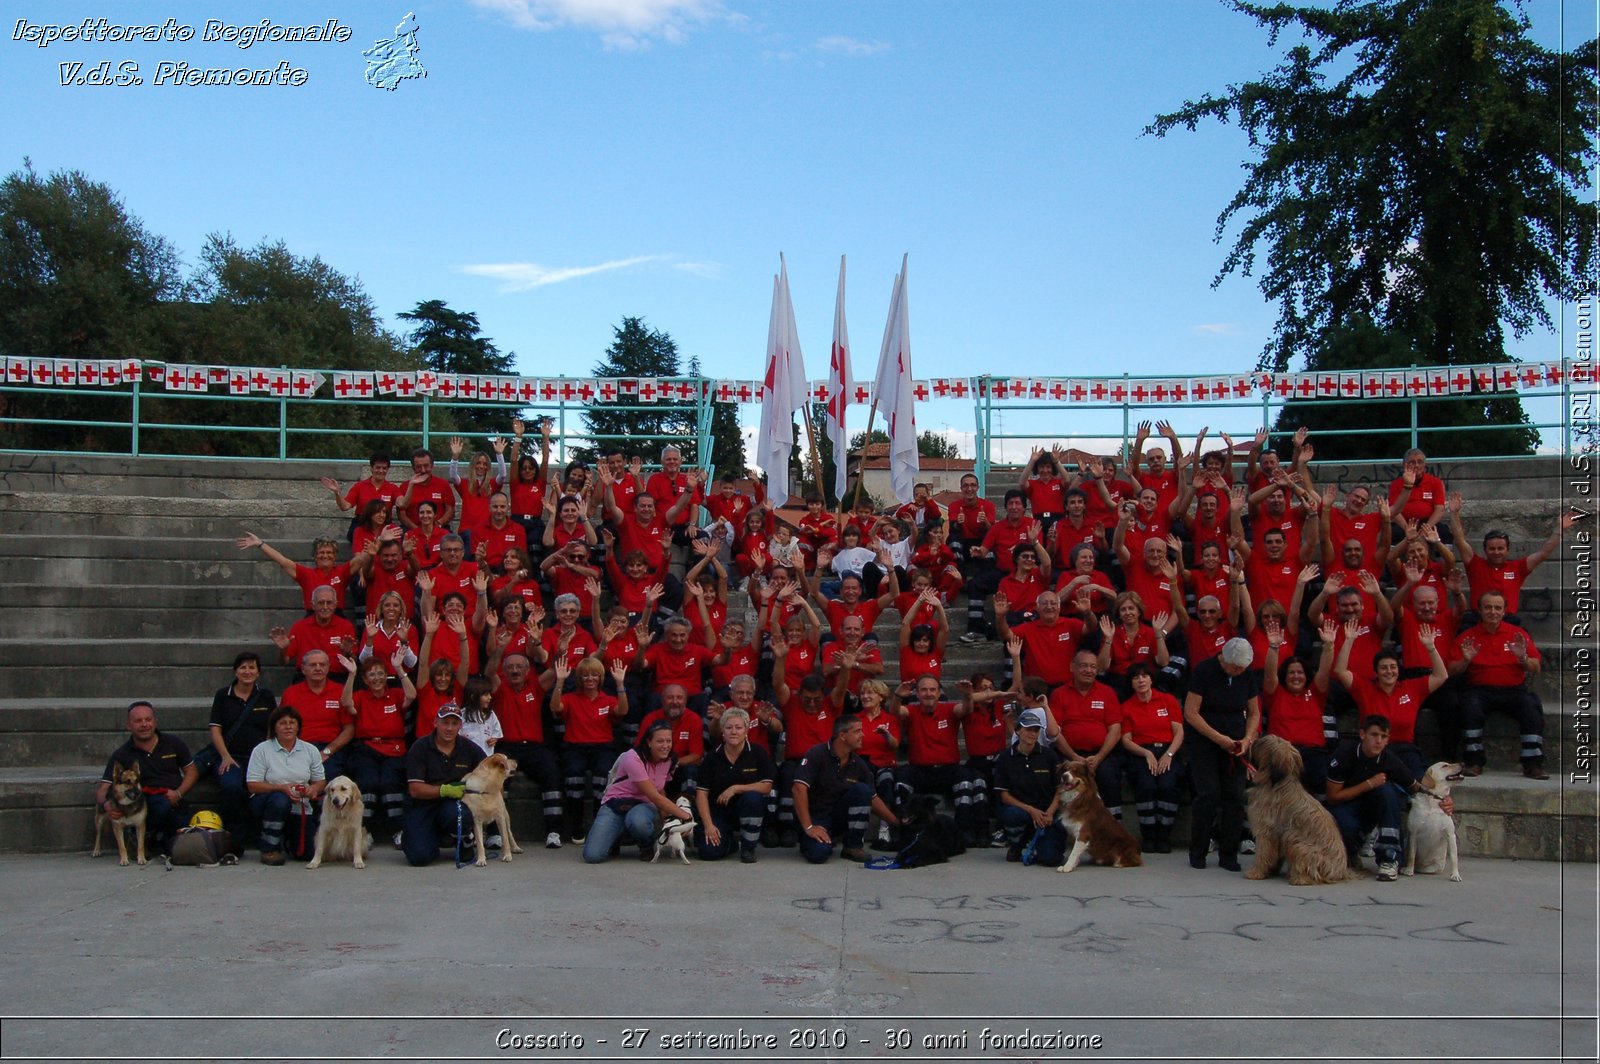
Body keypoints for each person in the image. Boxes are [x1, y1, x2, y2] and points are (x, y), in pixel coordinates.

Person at [1450, 589, 1549, 779]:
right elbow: (1451, 670)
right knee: (1469, 706)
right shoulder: (1468, 637)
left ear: (1504, 611)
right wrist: (1466, 660)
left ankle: (1532, 763)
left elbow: (1536, 667)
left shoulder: (1517, 634)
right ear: (1479, 610)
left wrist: (1523, 658)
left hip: (1513, 690)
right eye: (1488, 607)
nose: (1493, 612)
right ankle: (1474, 760)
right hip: (1479, 690)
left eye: (1497, 608)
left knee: (1531, 707)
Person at [1334, 617, 1449, 781]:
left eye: (1393, 667)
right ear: (1376, 671)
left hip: (1405, 750)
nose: (1389, 671)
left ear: (1398, 670)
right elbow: (1340, 671)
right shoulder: (1364, 688)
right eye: (1383, 668)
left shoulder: (1412, 688)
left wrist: (1431, 648)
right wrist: (1349, 640)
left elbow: (1441, 676)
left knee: (1421, 784)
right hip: (1374, 752)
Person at [1182, 637, 1260, 871]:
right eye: (1235, 667)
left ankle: (1229, 854)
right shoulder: (1204, 670)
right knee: (1208, 795)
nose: (1238, 672)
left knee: (1235, 797)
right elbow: (1191, 712)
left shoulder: (1246, 675)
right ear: (1225, 659)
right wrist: (1219, 739)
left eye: (1241, 668)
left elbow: (1254, 713)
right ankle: (1198, 851)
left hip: (1235, 742)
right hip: (1205, 741)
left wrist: (1247, 739)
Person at [1449, 497, 1578, 622]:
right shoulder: (1475, 564)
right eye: (1492, 549)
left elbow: (1543, 553)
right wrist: (1454, 513)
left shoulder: (1518, 567)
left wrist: (1559, 530)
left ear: (1507, 550)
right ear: (1485, 550)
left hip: (1508, 621)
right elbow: (1459, 540)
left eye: (1500, 548)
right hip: (1478, 620)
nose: (1496, 552)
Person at [793, 715, 901, 863]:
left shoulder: (858, 763)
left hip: (839, 816)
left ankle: (853, 846)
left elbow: (873, 798)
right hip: (816, 817)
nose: (862, 735)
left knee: (862, 790)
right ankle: (812, 841)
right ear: (842, 736)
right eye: (857, 731)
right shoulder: (817, 754)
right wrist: (809, 826)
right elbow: (798, 789)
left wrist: (896, 822)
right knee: (819, 855)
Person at [582, 720, 691, 863]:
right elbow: (655, 796)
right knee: (592, 856)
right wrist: (687, 817)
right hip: (616, 804)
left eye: (668, 741)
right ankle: (616, 836)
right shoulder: (632, 757)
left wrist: (665, 817)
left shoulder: (670, 760)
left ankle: (646, 846)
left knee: (637, 820)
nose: (665, 746)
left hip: (643, 806)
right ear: (649, 742)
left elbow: (659, 789)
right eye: (660, 741)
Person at [1324, 715, 1417, 882]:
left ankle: (1389, 858)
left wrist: (1443, 799)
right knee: (1347, 824)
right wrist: (1368, 784)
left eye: (1384, 736)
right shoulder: (1344, 755)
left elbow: (1417, 787)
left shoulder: (1390, 760)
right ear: (1362, 734)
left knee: (1388, 791)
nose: (1379, 741)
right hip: (1344, 806)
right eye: (1374, 735)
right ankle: (1351, 851)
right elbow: (1333, 797)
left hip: (1371, 808)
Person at [97, 701, 197, 852]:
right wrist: (106, 805)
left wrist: (178, 793)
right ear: (129, 726)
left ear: (155, 722)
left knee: (186, 835)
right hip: (143, 804)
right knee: (160, 805)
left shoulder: (174, 743)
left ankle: (157, 841)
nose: (144, 724)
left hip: (175, 802)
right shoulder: (122, 754)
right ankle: (141, 836)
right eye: (138, 721)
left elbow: (192, 772)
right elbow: (103, 788)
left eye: (148, 720)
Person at [340, 649, 415, 849]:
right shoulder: (360, 696)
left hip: (394, 748)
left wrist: (399, 668)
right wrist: (351, 674)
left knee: (390, 782)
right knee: (368, 782)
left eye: (381, 673)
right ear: (365, 679)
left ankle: (399, 830)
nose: (377, 678)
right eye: (371, 674)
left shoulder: (396, 694)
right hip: (366, 748)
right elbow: (346, 703)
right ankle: (363, 830)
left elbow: (412, 695)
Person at [550, 656, 627, 843]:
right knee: (574, 776)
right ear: (579, 679)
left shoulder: (607, 699)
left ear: (600, 678)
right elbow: (555, 707)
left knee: (603, 776)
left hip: (603, 747)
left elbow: (622, 711)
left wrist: (620, 684)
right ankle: (577, 823)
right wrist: (559, 681)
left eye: (594, 675)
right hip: (575, 747)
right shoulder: (570, 698)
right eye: (586, 676)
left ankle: (597, 823)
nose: (590, 679)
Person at [200, 652, 276, 836]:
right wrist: (225, 756)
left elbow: (272, 728)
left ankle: (260, 834)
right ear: (235, 671)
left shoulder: (265, 696)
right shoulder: (222, 696)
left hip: (258, 758)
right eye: (243, 667)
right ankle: (233, 835)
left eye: (252, 667)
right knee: (231, 786)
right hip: (230, 756)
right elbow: (216, 729)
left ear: (258, 673)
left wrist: (266, 756)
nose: (247, 671)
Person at [401, 704, 486, 867]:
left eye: (454, 724)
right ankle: (433, 838)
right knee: (419, 857)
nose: (449, 728)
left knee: (460, 816)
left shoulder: (469, 748)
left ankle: (464, 839)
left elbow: (488, 770)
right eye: (445, 722)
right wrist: (444, 790)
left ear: (460, 726)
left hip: (454, 805)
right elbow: (415, 790)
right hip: (422, 805)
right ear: (435, 723)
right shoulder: (420, 747)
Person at [692, 707, 776, 863]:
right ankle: (730, 844)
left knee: (753, 798)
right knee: (708, 853)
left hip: (746, 809)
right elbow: (701, 793)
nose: (734, 732)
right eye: (729, 727)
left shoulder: (758, 753)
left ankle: (748, 848)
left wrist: (736, 788)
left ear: (746, 731)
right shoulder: (712, 758)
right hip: (718, 812)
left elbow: (766, 786)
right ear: (722, 732)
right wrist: (709, 825)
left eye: (739, 727)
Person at [245, 706, 326, 864]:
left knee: (307, 854)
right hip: (268, 803)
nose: (288, 726)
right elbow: (252, 785)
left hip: (300, 804)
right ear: (274, 727)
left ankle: (288, 842)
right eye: (282, 723)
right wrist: (282, 788)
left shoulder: (310, 750)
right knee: (280, 800)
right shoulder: (261, 750)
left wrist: (314, 788)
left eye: (292, 722)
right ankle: (269, 849)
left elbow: (320, 781)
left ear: (298, 727)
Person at [1118, 664, 1184, 853]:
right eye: (1136, 677)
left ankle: (1164, 835)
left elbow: (1178, 731)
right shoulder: (1127, 706)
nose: (1141, 680)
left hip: (1168, 751)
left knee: (1168, 786)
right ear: (1131, 683)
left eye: (1145, 676)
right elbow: (1126, 740)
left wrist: (1169, 754)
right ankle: (1149, 835)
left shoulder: (1167, 700)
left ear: (1151, 679)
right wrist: (1146, 754)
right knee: (1146, 786)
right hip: (1141, 752)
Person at [992, 707, 1067, 864]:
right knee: (1011, 814)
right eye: (1028, 729)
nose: (1033, 734)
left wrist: (1050, 812)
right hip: (1022, 811)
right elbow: (1004, 796)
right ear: (1018, 730)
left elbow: (1061, 788)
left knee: (1050, 859)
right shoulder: (1005, 758)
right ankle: (1017, 844)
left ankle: (1042, 845)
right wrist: (1031, 811)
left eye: (1036, 730)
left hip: (1047, 812)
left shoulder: (1049, 755)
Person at [276, 650, 353, 780]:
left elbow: (349, 729)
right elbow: (281, 726)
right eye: (312, 665)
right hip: (298, 748)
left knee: (330, 775)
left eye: (322, 665)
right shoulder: (291, 693)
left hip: (331, 749)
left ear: (328, 668)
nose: (318, 668)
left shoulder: (341, 691)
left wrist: (327, 752)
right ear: (303, 668)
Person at [237, 532, 355, 613]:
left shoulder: (342, 571)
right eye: (321, 552)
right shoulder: (307, 574)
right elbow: (283, 562)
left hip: (337, 618)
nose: (325, 556)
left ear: (335, 556)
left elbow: (361, 560)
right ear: (315, 556)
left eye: (329, 553)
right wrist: (260, 544)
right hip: (312, 618)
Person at [271, 585, 357, 681]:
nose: (325, 607)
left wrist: (347, 653)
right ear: (313, 605)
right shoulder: (300, 627)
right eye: (320, 603)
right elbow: (283, 662)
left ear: (335, 605)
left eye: (329, 603)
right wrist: (283, 649)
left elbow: (354, 660)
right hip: (306, 678)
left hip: (336, 677)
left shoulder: (346, 626)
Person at [395, 447, 456, 531]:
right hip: (412, 529)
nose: (423, 470)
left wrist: (438, 524)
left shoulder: (443, 484)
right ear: (413, 468)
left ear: (432, 465)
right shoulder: (405, 486)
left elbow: (450, 510)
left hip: (438, 528)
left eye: (426, 466)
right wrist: (417, 529)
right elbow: (401, 514)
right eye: (419, 467)